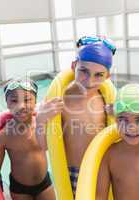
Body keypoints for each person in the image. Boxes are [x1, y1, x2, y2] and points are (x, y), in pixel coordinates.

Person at [36, 35, 117, 196]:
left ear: (107, 76)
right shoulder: (59, 99)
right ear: (74, 66)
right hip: (74, 173)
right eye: (84, 71)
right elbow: (44, 146)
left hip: (105, 170)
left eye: (98, 75)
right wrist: (40, 120)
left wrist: (120, 118)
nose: (89, 81)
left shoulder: (108, 100)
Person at [0, 78, 58, 200]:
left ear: (35, 101)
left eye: (27, 99)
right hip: (19, 189)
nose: (21, 106)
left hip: (44, 183)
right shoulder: (3, 136)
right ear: (7, 103)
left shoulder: (43, 125)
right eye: (14, 100)